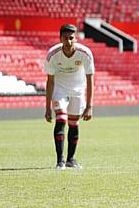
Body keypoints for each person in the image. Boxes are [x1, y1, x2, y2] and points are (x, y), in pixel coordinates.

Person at [44, 24, 95, 170]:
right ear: (60, 39)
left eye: (71, 38)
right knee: (61, 119)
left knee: (73, 123)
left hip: (78, 90)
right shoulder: (52, 55)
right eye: (65, 38)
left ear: (76, 38)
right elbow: (50, 81)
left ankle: (70, 159)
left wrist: (89, 106)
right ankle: (60, 161)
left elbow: (90, 79)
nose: (69, 41)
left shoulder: (85, 53)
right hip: (59, 89)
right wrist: (47, 107)